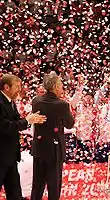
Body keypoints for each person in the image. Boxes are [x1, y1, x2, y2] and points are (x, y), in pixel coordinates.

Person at [0, 74, 46, 200]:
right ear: (6, 87)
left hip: (10, 156)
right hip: (1, 156)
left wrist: (31, 119)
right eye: (17, 87)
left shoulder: (11, 102)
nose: (19, 90)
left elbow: (15, 122)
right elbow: (6, 127)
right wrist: (27, 121)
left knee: (15, 194)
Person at [30, 71, 75, 200]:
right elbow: (69, 124)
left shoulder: (36, 101)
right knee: (54, 185)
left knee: (37, 184)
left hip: (39, 147)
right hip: (54, 149)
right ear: (55, 87)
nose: (62, 88)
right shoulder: (62, 105)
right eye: (60, 85)